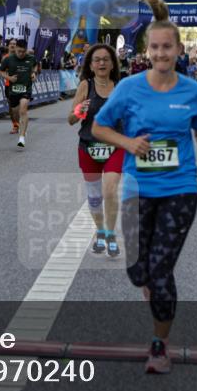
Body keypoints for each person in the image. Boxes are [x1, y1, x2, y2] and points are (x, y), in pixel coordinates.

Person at [92, 0, 197, 374]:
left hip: (181, 189)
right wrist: (129, 142)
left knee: (161, 272)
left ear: (179, 51)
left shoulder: (193, 90)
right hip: (136, 189)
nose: (162, 53)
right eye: (156, 48)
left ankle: (159, 344)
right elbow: (99, 127)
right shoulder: (129, 88)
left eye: (168, 47)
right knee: (138, 273)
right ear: (147, 50)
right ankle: (148, 281)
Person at [68, 43, 125, 257]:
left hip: (114, 146)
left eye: (106, 59)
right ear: (91, 66)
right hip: (88, 146)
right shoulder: (85, 85)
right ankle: (100, 231)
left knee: (109, 189)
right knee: (94, 196)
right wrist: (79, 111)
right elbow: (70, 120)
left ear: (112, 64)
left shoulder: (121, 86)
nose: (101, 63)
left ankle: (110, 234)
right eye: (97, 60)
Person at [0, 38, 37, 149]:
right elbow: (0, 71)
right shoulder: (8, 59)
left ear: (26, 49)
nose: (21, 54)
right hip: (13, 90)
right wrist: (9, 78)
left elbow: (35, 65)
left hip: (26, 88)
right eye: (19, 51)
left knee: (23, 109)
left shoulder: (31, 58)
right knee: (15, 112)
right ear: (15, 49)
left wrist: (33, 73)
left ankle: (21, 137)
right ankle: (20, 126)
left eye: (23, 51)